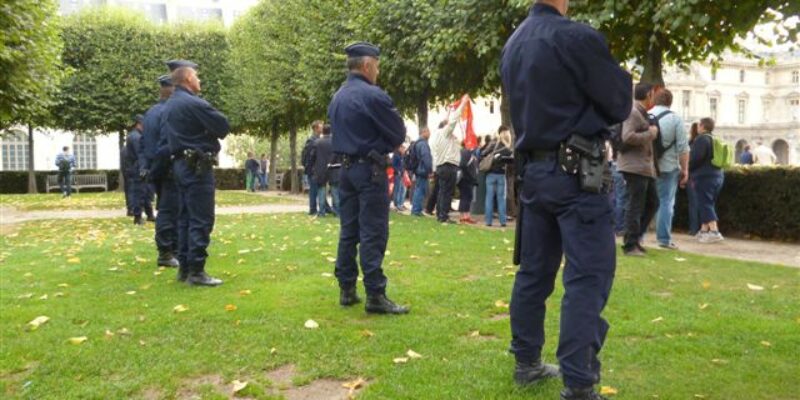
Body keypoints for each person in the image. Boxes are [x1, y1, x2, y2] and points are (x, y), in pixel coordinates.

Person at [501, 1, 633, 399]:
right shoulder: (575, 36)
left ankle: (526, 361)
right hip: (577, 174)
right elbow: (617, 102)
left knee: (535, 271)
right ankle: (578, 381)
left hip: (535, 172)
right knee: (587, 275)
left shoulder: (513, 43)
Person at [328, 42, 409, 314]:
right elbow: (397, 134)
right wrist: (383, 142)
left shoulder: (338, 96)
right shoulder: (373, 96)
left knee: (348, 230)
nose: (378, 70)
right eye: (376, 65)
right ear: (367, 65)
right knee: (373, 231)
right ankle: (375, 293)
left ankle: (347, 288)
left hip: (346, 169)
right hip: (369, 169)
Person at [162, 59, 231, 286]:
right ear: (189, 79)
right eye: (197, 77)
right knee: (201, 218)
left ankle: (185, 268)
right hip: (197, 166)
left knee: (185, 218)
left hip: (181, 165)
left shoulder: (171, 103)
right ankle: (197, 270)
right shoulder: (193, 103)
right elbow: (222, 125)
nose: (199, 80)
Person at [138, 74, 180, 268]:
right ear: (170, 89)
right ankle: (166, 252)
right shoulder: (168, 112)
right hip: (168, 167)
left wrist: (148, 167)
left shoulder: (151, 112)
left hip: (157, 168)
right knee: (169, 210)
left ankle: (172, 249)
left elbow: (144, 144)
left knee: (168, 208)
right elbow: (166, 144)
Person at [618, 83, 659, 257]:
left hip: (643, 167)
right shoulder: (633, 112)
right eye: (653, 94)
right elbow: (627, 136)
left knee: (652, 203)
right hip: (635, 167)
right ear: (648, 94)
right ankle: (630, 244)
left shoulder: (640, 112)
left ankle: (635, 239)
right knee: (635, 206)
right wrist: (650, 134)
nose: (654, 98)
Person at [652, 89, 690, 250]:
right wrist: (685, 169)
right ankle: (663, 239)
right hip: (668, 166)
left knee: (642, 202)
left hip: (646, 166)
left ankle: (636, 237)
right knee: (666, 202)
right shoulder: (675, 119)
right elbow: (683, 148)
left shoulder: (646, 115)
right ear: (670, 102)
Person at [429, 99, 468, 223]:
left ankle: (440, 214)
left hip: (440, 166)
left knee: (441, 191)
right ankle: (444, 216)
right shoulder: (445, 133)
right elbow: (453, 121)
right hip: (448, 165)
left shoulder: (434, 137)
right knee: (447, 192)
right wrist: (463, 104)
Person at [689, 118, 725, 243]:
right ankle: (704, 231)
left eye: (699, 125)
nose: (697, 127)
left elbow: (695, 158)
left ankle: (714, 231)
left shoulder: (701, 139)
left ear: (702, 126)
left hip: (704, 176)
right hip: (718, 175)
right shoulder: (715, 139)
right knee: (708, 202)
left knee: (705, 203)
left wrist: (686, 169)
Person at [126, 114, 155, 225]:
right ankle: (138, 217)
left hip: (137, 167)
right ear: (139, 124)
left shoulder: (134, 136)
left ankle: (149, 215)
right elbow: (141, 154)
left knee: (146, 192)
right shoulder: (136, 137)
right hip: (139, 168)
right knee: (140, 193)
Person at [484, 126, 513, 227]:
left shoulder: (493, 144)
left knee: (489, 198)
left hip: (490, 174)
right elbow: (511, 160)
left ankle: (488, 222)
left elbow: (483, 153)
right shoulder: (507, 148)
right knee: (501, 199)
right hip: (501, 175)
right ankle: (503, 222)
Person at [312, 124, 334, 217]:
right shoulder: (334, 142)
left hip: (320, 169)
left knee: (321, 191)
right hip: (333, 168)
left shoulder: (317, 142)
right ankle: (337, 211)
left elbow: (313, 156)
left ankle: (321, 211)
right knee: (335, 191)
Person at [302, 121, 324, 214]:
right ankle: (313, 209)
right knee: (313, 190)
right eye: (320, 127)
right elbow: (308, 156)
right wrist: (309, 167)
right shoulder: (312, 141)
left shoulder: (318, 139)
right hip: (313, 170)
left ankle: (321, 208)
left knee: (319, 190)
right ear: (316, 128)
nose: (322, 128)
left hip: (318, 169)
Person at [410, 127, 433, 216]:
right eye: (428, 132)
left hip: (418, 169)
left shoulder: (417, 143)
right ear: (423, 132)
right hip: (422, 170)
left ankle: (417, 209)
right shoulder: (423, 144)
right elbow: (426, 157)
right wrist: (430, 170)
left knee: (419, 189)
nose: (429, 134)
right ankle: (416, 210)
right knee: (420, 190)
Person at [457, 142, 479, 224]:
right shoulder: (466, 153)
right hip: (467, 178)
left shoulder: (462, 152)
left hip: (464, 178)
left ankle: (464, 216)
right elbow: (463, 165)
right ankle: (465, 216)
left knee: (464, 197)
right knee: (467, 197)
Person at [686, 122, 700, 235]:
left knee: (693, 203)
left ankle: (694, 228)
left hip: (692, 176)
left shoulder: (691, 143)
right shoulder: (703, 142)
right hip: (701, 176)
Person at [391, 145, 408, 211]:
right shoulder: (396, 155)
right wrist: (397, 171)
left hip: (402, 174)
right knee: (397, 189)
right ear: (399, 148)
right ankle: (397, 204)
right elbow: (393, 164)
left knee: (402, 189)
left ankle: (401, 203)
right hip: (397, 174)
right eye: (403, 148)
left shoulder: (402, 156)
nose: (404, 150)